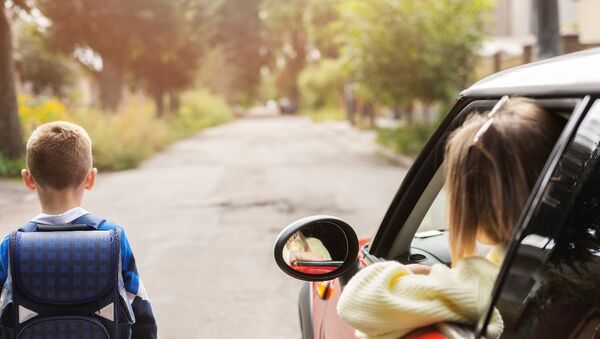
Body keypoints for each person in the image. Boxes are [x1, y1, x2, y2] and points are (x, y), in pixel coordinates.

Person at [337, 97, 564, 339]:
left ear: (473, 202)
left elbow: (355, 303)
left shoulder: (477, 285)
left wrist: (417, 271)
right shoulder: (562, 263)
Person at [0, 121, 157, 339]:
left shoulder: (11, 245)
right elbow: (141, 310)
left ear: (28, 179)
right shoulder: (112, 237)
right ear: (91, 178)